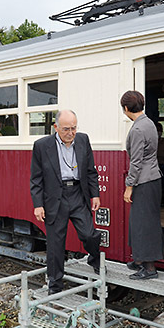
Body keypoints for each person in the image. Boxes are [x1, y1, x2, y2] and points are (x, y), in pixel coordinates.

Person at [30, 110, 102, 294]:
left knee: (90, 234)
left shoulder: (83, 140)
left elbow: (91, 171)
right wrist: (38, 204)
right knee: (55, 245)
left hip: (78, 193)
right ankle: (55, 285)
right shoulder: (41, 146)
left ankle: (94, 259)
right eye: (66, 129)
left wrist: (95, 195)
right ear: (56, 128)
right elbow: (36, 178)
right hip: (55, 198)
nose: (71, 133)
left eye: (74, 128)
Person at [120, 91, 164, 280]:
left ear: (126, 108)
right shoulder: (150, 123)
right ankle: (139, 261)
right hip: (154, 178)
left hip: (143, 181)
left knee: (143, 224)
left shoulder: (138, 129)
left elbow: (136, 162)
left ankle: (149, 268)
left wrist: (129, 186)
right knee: (146, 221)